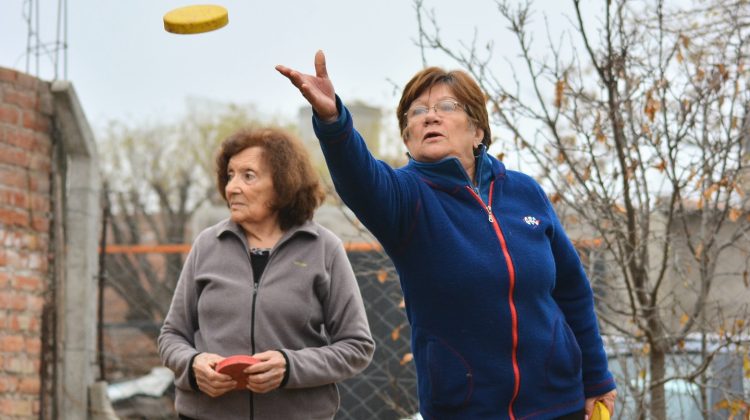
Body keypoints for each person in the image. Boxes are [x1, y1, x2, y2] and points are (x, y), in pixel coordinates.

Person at [276, 51, 617, 420]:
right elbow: (360, 178)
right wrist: (332, 121)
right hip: (464, 409)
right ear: (408, 138)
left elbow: (572, 290)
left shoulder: (524, 192)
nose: (431, 116)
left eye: (446, 106)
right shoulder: (407, 198)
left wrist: (597, 378)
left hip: (559, 403)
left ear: (477, 130)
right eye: (417, 112)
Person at [157, 126, 375, 420]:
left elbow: (356, 346)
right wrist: (193, 365)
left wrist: (290, 367)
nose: (232, 187)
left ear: (283, 184)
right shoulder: (207, 245)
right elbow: (171, 335)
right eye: (230, 175)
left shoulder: (323, 248)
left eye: (249, 176)